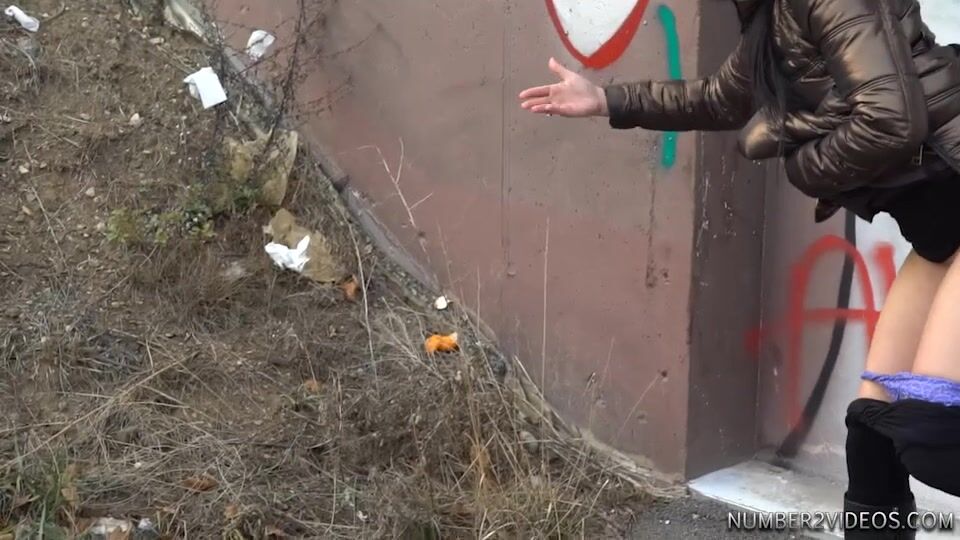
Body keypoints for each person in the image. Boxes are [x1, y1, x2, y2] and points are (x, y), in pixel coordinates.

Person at [520, 0, 960, 538]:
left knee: (934, 437)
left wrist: (802, 162)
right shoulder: (769, 21)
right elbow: (719, 97)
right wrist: (605, 100)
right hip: (939, 230)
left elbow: (892, 120)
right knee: (873, 437)